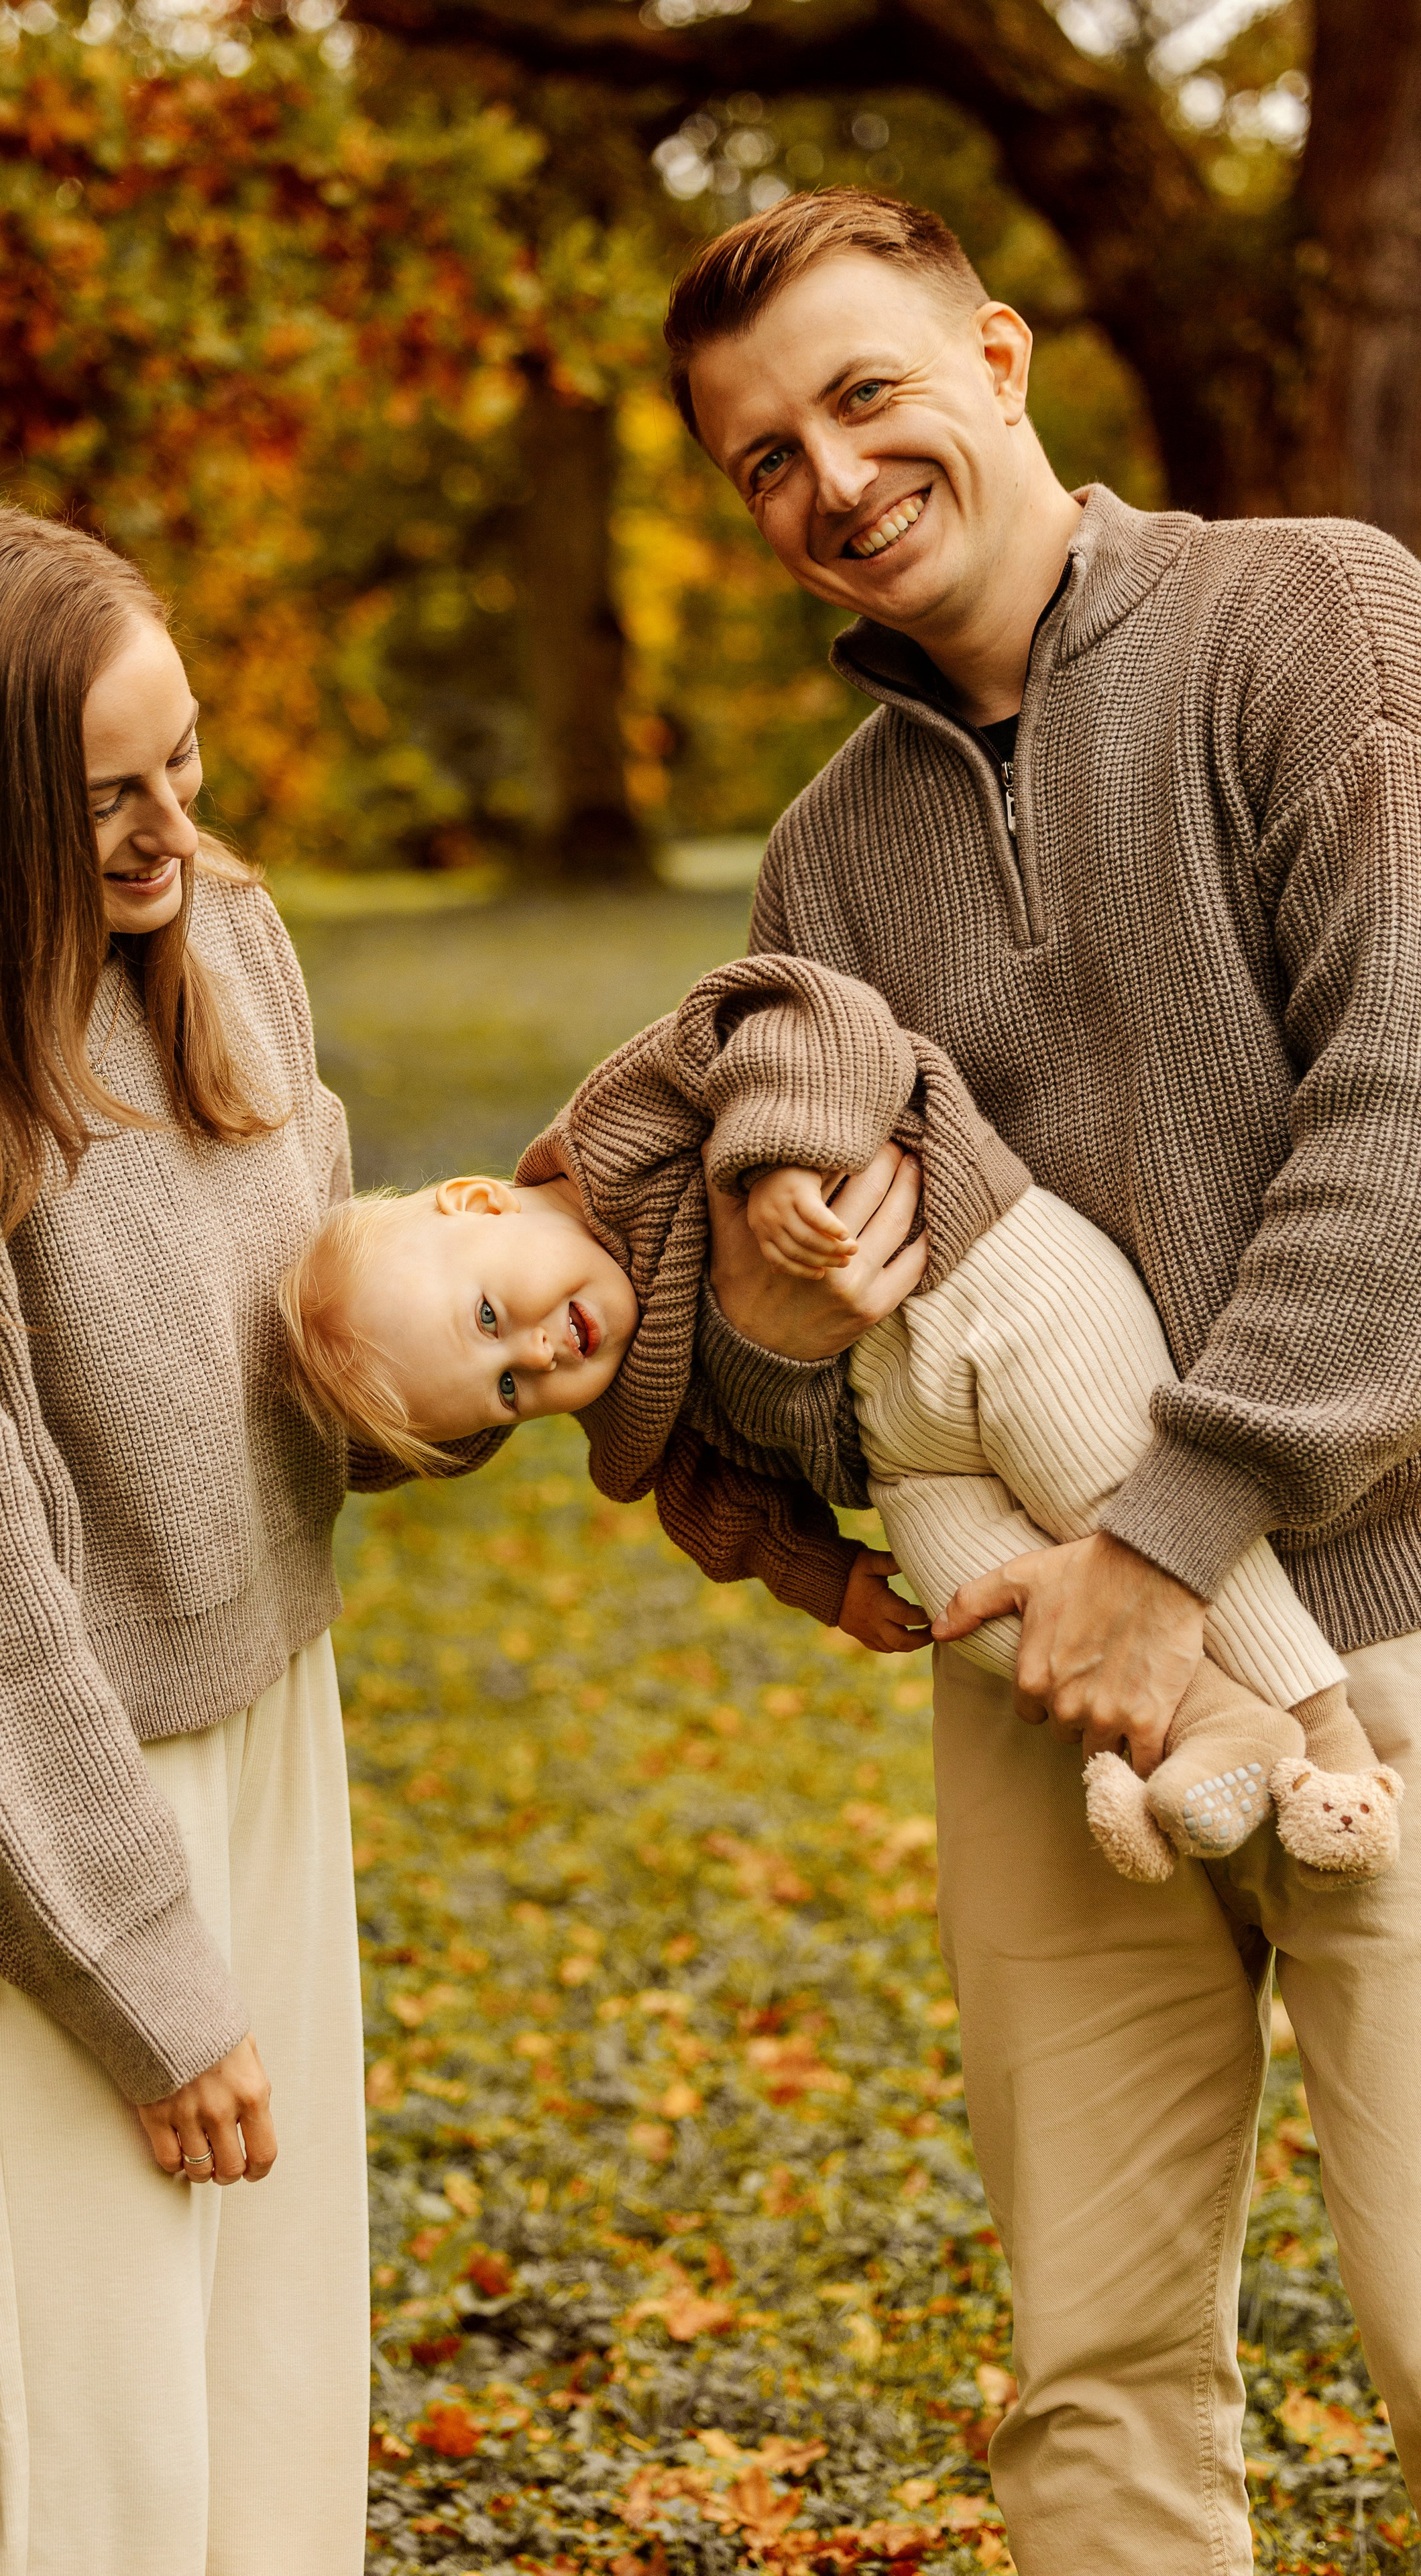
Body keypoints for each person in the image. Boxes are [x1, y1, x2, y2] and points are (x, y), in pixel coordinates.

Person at [653, 185, 1421, 2572]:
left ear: (996, 357)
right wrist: (777, 1335)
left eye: (865, 393)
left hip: (1367, 1627)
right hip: (1055, 1712)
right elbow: (800, 1419)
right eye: (764, 458)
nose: (831, 479)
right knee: (1091, 2385)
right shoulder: (822, 872)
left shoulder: (1311, 615)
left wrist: (1176, 1536)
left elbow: (1409, 1109)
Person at [0, 507, 498, 2576]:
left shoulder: (220, 941)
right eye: (105, 802)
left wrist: (473, 1356)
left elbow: (303, 1318)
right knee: (104, 2489)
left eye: (189, 765)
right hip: (57, 1821)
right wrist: (145, 1984)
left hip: (271, 1737)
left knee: (268, 2427)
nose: (175, 832)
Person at [274, 948, 1394, 1884]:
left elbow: (806, 1013)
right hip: (905, 1449)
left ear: (472, 1203)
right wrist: (826, 1577)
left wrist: (778, 1153)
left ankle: (1331, 1749)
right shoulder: (630, 1412)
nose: (536, 1353)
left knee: (1117, 1495)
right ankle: (1221, 1728)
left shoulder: (627, 1124)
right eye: (509, 1393)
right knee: (972, 1603)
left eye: (487, 1316)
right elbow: (719, 1512)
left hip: (988, 1281)